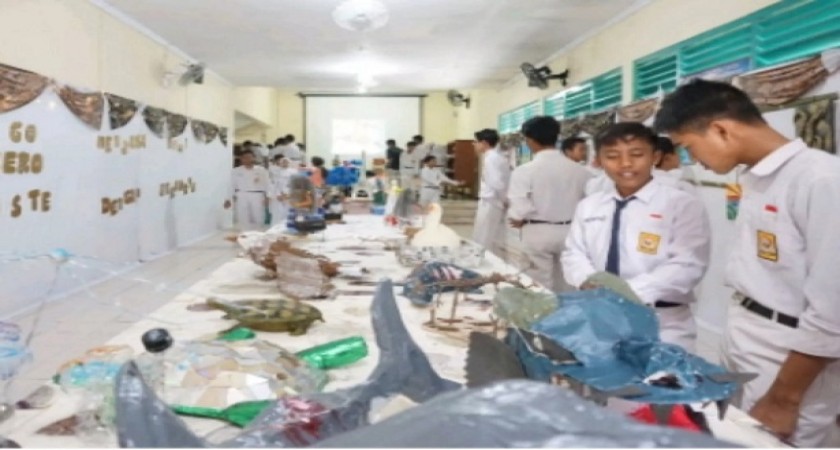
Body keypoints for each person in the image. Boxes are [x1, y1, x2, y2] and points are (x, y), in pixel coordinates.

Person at [654, 79, 840, 447]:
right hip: (746, 331)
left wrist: (785, 397)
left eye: (688, 148)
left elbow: (833, 306)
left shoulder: (821, 180)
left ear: (720, 130)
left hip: (790, 353)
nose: (693, 161)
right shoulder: (756, 177)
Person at [561, 122, 711, 352]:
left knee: (661, 374)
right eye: (613, 156)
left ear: (655, 157)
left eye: (637, 154)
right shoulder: (589, 206)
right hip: (600, 314)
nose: (625, 164)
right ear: (599, 161)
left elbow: (687, 265)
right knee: (603, 372)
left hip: (661, 320)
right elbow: (574, 253)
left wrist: (625, 292)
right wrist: (588, 280)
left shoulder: (681, 204)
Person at [507, 116, 591, 292]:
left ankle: (541, 308)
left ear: (529, 140)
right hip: (570, 231)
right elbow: (589, 203)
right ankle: (566, 308)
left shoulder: (524, 171)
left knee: (537, 283)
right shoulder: (581, 171)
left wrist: (518, 218)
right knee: (567, 281)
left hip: (537, 231)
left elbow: (520, 207)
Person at [472, 128, 512, 259]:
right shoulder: (495, 157)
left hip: (491, 202)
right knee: (489, 236)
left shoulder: (492, 158)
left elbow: (497, 183)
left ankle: (481, 263)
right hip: (494, 201)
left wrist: (504, 200)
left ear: (484, 143)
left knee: (483, 237)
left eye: (476, 142)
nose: (474, 144)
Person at [226, 149, 269, 231]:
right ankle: (245, 234)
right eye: (244, 158)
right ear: (241, 159)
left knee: (258, 215)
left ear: (254, 158)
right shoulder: (236, 171)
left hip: (257, 195)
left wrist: (267, 196)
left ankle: (258, 233)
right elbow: (231, 185)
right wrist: (228, 198)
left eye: (249, 157)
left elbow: (267, 184)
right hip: (241, 194)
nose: (247, 159)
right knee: (242, 216)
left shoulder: (261, 170)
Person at [268, 156, 297, 226]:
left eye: (286, 162)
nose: (285, 163)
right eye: (283, 162)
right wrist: (277, 195)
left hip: (289, 196)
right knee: (277, 214)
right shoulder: (276, 172)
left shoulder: (294, 172)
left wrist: (287, 195)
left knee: (288, 213)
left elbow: (295, 185)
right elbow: (273, 184)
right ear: (280, 163)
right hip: (277, 196)